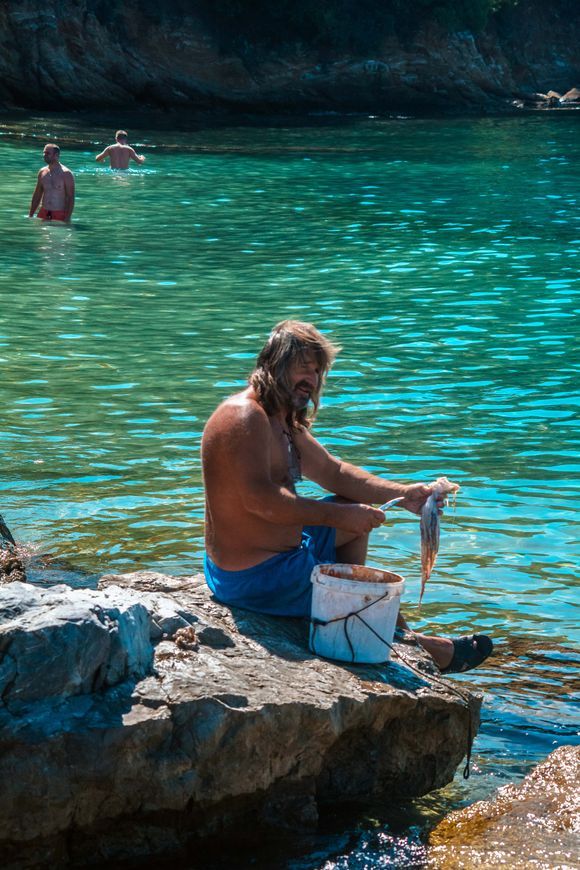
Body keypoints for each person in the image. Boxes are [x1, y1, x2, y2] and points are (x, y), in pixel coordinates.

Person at [201, 320, 493, 675]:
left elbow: (335, 473)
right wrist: (340, 518)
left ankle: (392, 630)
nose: (312, 379)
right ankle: (411, 643)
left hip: (287, 557)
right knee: (347, 526)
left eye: (318, 370)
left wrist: (406, 495)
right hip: (253, 577)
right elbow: (261, 501)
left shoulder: (282, 422)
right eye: (303, 367)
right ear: (275, 364)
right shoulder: (244, 417)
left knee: (349, 510)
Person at [29, 143, 75, 222]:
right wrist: (31, 214)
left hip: (59, 214)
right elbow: (37, 195)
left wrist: (67, 218)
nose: (44, 155)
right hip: (43, 213)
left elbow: (70, 198)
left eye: (48, 153)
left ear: (56, 155)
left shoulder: (66, 174)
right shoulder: (42, 172)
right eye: (44, 152)